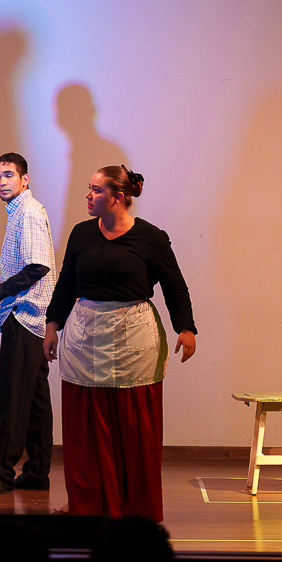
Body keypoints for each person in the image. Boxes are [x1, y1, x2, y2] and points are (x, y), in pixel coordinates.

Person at [43, 166, 197, 522]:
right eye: (89, 188)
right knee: (87, 426)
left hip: (133, 339)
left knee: (131, 425)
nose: (88, 195)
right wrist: (53, 325)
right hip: (85, 338)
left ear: (118, 197)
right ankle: (87, 502)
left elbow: (175, 285)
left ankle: (134, 507)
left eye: (96, 190)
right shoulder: (82, 234)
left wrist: (185, 328)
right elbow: (66, 283)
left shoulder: (151, 238)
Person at [0, 153, 58, 496]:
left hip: (24, 315)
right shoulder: (19, 213)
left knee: (12, 398)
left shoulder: (29, 212)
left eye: (9, 175)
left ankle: (2, 474)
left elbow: (38, 265)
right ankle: (37, 472)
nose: (2, 181)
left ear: (25, 179)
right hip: (29, 317)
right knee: (36, 398)